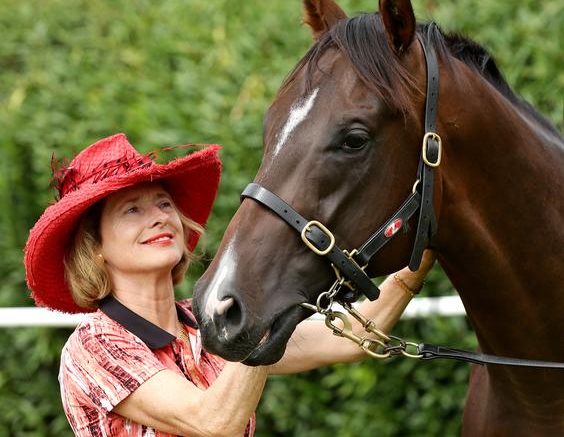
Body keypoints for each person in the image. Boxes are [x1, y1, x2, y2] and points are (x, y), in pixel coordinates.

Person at [24, 133, 434, 437]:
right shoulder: (95, 345)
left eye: (164, 203)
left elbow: (349, 338)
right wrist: (266, 300)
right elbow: (212, 421)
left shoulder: (205, 324)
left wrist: (427, 248)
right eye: (132, 209)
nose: (160, 217)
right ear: (95, 249)